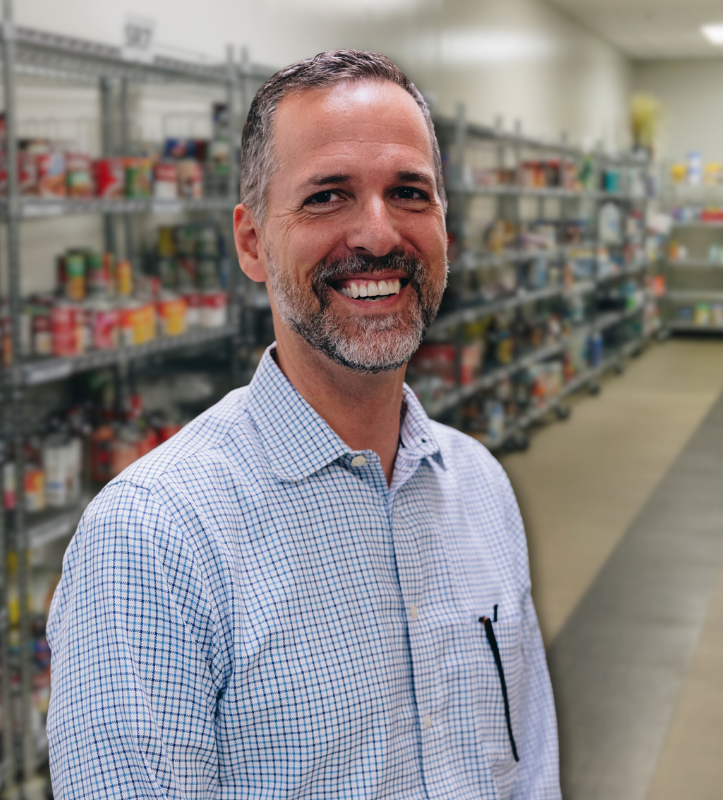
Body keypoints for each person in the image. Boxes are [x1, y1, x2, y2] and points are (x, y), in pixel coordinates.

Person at [47, 50, 561, 800]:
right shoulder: (152, 542)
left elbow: (531, 769)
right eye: (327, 196)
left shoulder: (480, 485)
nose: (380, 235)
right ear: (252, 242)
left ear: (445, 225)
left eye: (410, 192)